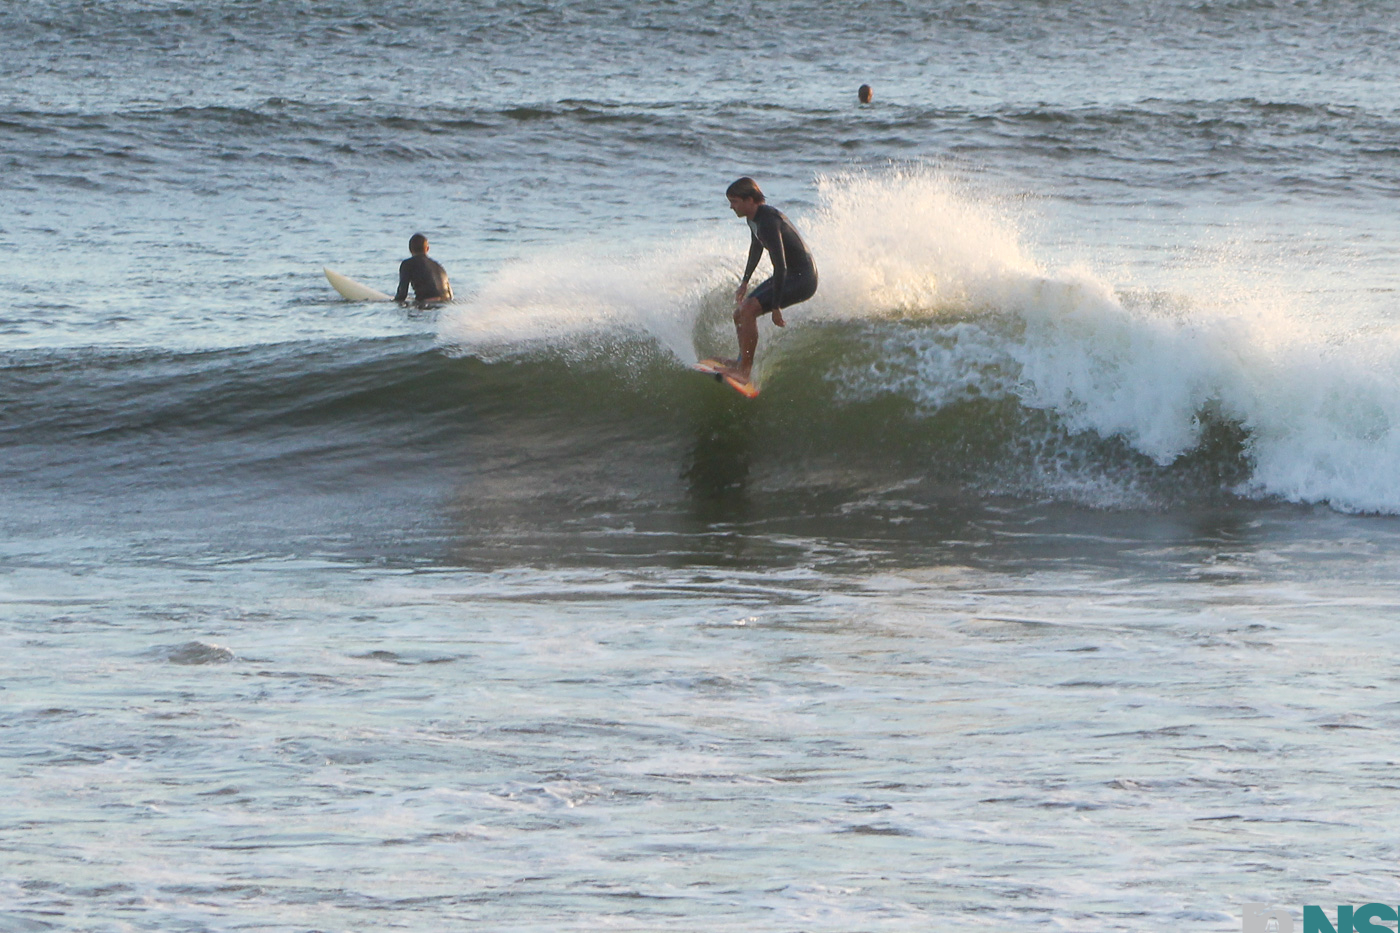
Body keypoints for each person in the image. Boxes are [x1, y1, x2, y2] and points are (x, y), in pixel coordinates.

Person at [726, 177, 818, 379]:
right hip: (790, 274)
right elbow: (756, 247)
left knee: (748, 310)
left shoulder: (768, 221)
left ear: (750, 200)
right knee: (739, 314)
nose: (731, 207)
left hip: (803, 278)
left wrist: (776, 307)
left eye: (734, 202)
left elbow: (780, 265)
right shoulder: (753, 218)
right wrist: (745, 282)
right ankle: (741, 361)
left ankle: (744, 371)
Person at [395, 233, 452, 304]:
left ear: (410, 249)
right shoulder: (438, 265)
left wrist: (393, 302)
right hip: (445, 303)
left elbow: (402, 294)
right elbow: (450, 295)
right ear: (427, 249)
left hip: (427, 304)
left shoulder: (407, 264)